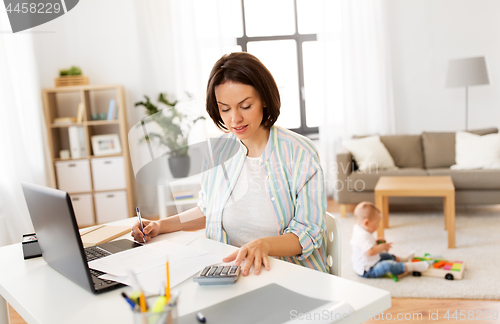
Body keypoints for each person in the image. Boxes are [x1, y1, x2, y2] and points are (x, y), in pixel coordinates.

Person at [131, 52, 328, 275]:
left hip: (290, 274)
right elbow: (208, 211)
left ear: (264, 99)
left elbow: (310, 232)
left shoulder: (299, 152)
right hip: (233, 272)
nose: (234, 119)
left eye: (245, 106)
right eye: (225, 109)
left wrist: (265, 244)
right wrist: (159, 225)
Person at [350, 201, 429, 278]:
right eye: (376, 224)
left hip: (372, 260)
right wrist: (381, 247)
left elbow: (366, 246)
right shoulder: (362, 236)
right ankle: (410, 267)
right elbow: (370, 252)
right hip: (368, 270)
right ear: (366, 223)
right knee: (387, 265)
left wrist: (375, 242)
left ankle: (404, 259)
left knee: (385, 255)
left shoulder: (361, 229)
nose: (378, 226)